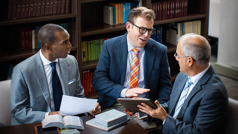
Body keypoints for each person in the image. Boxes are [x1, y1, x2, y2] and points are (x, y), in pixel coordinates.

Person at [11, 24, 100, 125]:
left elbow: (78, 96)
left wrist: (89, 108)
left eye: (69, 40)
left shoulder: (71, 61)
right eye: (64, 42)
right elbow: (18, 112)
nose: (70, 45)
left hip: (69, 122)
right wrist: (49, 115)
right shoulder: (22, 70)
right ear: (48, 47)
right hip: (38, 124)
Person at [138, 33, 228, 134]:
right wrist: (153, 111)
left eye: (178, 55)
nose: (176, 58)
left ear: (189, 61)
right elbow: (173, 106)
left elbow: (196, 132)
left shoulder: (213, 94)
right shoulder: (183, 75)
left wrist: (165, 118)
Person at [92, 6, 172, 111]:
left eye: (150, 30)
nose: (146, 35)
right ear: (129, 26)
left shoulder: (159, 50)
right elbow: (98, 80)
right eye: (142, 29)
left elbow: (165, 86)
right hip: (115, 103)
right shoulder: (110, 46)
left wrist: (158, 108)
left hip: (146, 107)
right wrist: (125, 92)